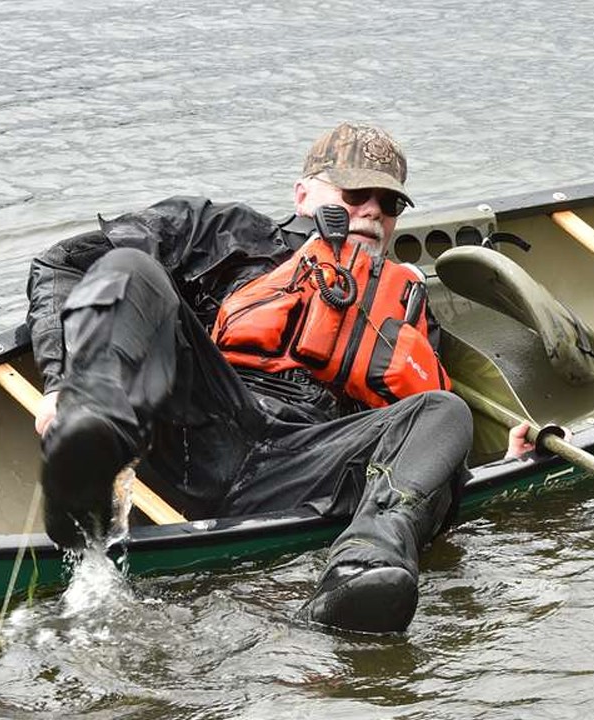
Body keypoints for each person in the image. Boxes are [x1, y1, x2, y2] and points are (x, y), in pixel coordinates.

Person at [26, 122, 526, 634]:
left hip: (306, 463)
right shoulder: (222, 232)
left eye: (389, 204)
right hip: (198, 427)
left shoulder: (408, 311)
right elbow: (61, 263)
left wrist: (498, 468)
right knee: (129, 267)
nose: (373, 211)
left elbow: (415, 442)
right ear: (304, 194)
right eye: (355, 193)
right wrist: (60, 381)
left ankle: (363, 567)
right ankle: (86, 474)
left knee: (445, 410)